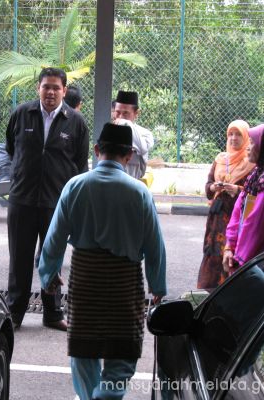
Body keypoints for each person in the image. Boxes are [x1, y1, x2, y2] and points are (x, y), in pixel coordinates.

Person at [38, 122, 166, 400]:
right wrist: (157, 285)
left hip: (86, 283)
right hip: (125, 287)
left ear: (97, 150)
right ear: (129, 155)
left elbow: (54, 238)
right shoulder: (140, 192)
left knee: (84, 354)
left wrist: (48, 274)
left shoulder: (75, 186)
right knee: (122, 358)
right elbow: (155, 245)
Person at [5, 67, 89, 331]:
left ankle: (52, 314)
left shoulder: (76, 122)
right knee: (19, 258)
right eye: (46, 87)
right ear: (38, 88)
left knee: (52, 257)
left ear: (64, 91)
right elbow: (11, 149)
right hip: (22, 200)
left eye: (56, 87)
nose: (50, 92)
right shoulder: (22, 114)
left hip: (57, 203)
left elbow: (80, 165)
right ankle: (15, 312)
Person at [223, 123, 264, 274]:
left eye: (252, 143)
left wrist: (239, 259)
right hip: (247, 255)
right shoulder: (257, 173)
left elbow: (256, 226)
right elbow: (239, 210)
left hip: (259, 260)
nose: (248, 147)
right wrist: (229, 245)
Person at [197, 120, 255, 289]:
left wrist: (237, 190)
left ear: (246, 137)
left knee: (230, 253)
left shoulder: (251, 162)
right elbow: (208, 185)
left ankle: (227, 290)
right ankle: (208, 289)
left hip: (235, 217)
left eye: (238, 135)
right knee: (213, 249)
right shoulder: (220, 159)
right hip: (216, 216)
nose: (233, 138)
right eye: (230, 134)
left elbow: (255, 193)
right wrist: (213, 187)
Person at [112, 90, 154, 179]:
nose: (120, 117)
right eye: (117, 112)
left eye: (125, 113)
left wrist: (125, 123)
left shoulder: (145, 134)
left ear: (136, 113)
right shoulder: (109, 131)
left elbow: (142, 149)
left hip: (133, 182)